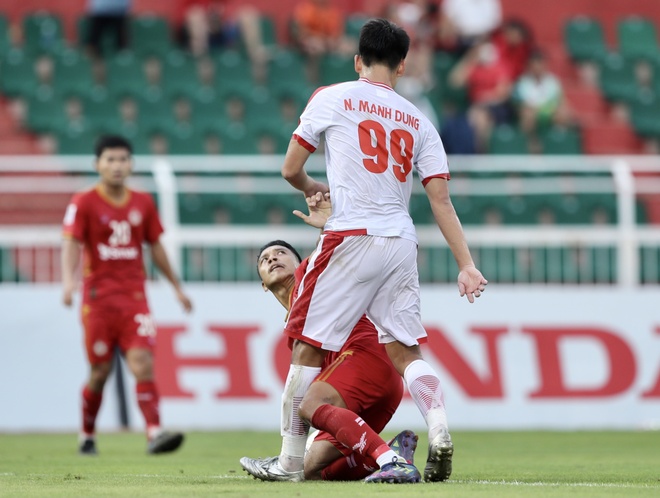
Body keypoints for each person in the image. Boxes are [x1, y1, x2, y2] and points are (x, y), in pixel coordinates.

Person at [268, 18, 488, 484]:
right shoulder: (419, 120)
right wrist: (466, 265)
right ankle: (439, 427)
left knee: (306, 346)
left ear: (357, 60)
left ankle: (288, 461)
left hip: (351, 234)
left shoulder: (332, 96)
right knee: (406, 351)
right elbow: (441, 200)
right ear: (402, 65)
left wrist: (313, 190)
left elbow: (290, 168)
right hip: (401, 241)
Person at [240, 193, 419, 482]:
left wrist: (329, 226)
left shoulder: (310, 276)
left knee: (306, 406)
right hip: (376, 383)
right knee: (310, 468)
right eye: (264, 259)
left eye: (280, 253)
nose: (272, 257)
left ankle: (392, 461)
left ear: (301, 262)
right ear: (263, 283)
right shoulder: (294, 324)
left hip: (366, 357)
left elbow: (335, 255)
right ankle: (387, 455)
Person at [61, 134, 193, 456]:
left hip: (135, 298)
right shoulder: (83, 201)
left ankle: (154, 433)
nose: (117, 166)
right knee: (99, 372)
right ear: (97, 165)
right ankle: (87, 434)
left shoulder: (143, 202)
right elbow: (71, 242)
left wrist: (176, 287)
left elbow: (156, 246)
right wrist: (68, 281)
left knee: (142, 363)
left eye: (122, 160)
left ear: (131, 164)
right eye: (110, 160)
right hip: (99, 300)